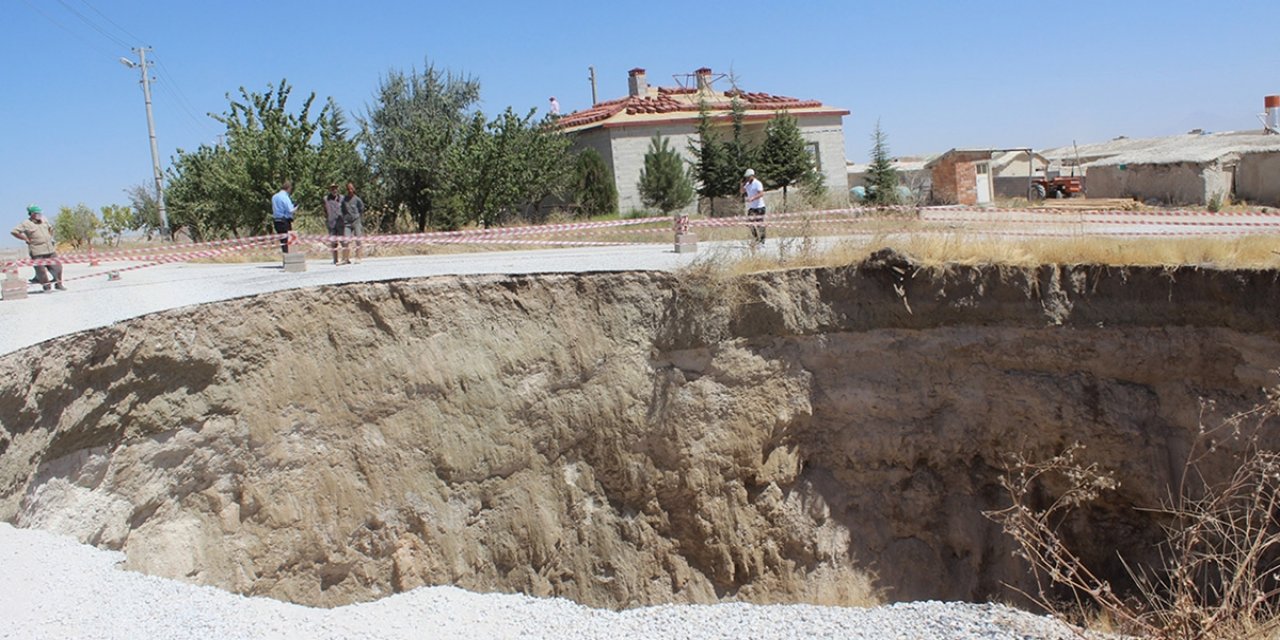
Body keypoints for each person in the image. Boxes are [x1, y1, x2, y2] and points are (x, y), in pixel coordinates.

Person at [10, 205, 64, 291]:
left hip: (50, 249)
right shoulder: (26, 223)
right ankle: (47, 287)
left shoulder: (44, 220)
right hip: (37, 251)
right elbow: (14, 232)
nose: (39, 215)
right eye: (37, 213)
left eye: (40, 213)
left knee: (58, 267)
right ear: (32, 214)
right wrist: (25, 239)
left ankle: (59, 284)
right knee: (41, 271)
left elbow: (51, 228)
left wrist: (50, 237)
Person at [339, 182, 365, 264]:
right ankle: (345, 259)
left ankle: (358, 257)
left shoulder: (357, 199)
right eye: (348, 189)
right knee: (346, 241)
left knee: (358, 240)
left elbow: (361, 209)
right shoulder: (344, 200)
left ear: (354, 189)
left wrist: (357, 216)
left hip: (356, 221)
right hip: (347, 223)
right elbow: (342, 209)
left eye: (351, 188)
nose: (350, 190)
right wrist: (344, 217)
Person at [741, 168, 766, 245]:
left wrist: (753, 198)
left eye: (748, 177)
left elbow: (761, 193)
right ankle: (756, 238)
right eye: (746, 177)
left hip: (759, 207)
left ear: (752, 176)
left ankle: (762, 240)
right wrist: (741, 184)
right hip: (752, 208)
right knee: (749, 223)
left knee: (759, 224)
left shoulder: (757, 183)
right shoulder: (747, 185)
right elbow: (742, 191)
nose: (747, 178)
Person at [271, 180, 297, 253]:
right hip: (284, 221)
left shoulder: (274, 197)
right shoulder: (285, 197)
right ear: (288, 188)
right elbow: (290, 210)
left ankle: (285, 255)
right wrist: (296, 207)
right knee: (288, 241)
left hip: (276, 221)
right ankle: (289, 256)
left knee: (282, 241)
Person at [323, 183, 344, 265]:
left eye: (335, 188)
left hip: (340, 222)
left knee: (343, 241)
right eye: (332, 189)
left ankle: (345, 258)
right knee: (333, 242)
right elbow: (324, 210)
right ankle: (335, 259)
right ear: (330, 190)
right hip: (331, 223)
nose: (334, 190)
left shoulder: (342, 198)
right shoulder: (326, 199)